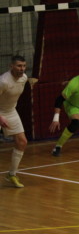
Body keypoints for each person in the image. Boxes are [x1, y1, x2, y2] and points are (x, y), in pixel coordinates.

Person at [0, 56, 28, 188]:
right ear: (11, 66)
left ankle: (11, 175)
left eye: (24, 66)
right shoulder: (3, 81)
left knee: (22, 142)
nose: (22, 69)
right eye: (19, 66)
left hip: (10, 111)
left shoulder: (24, 78)